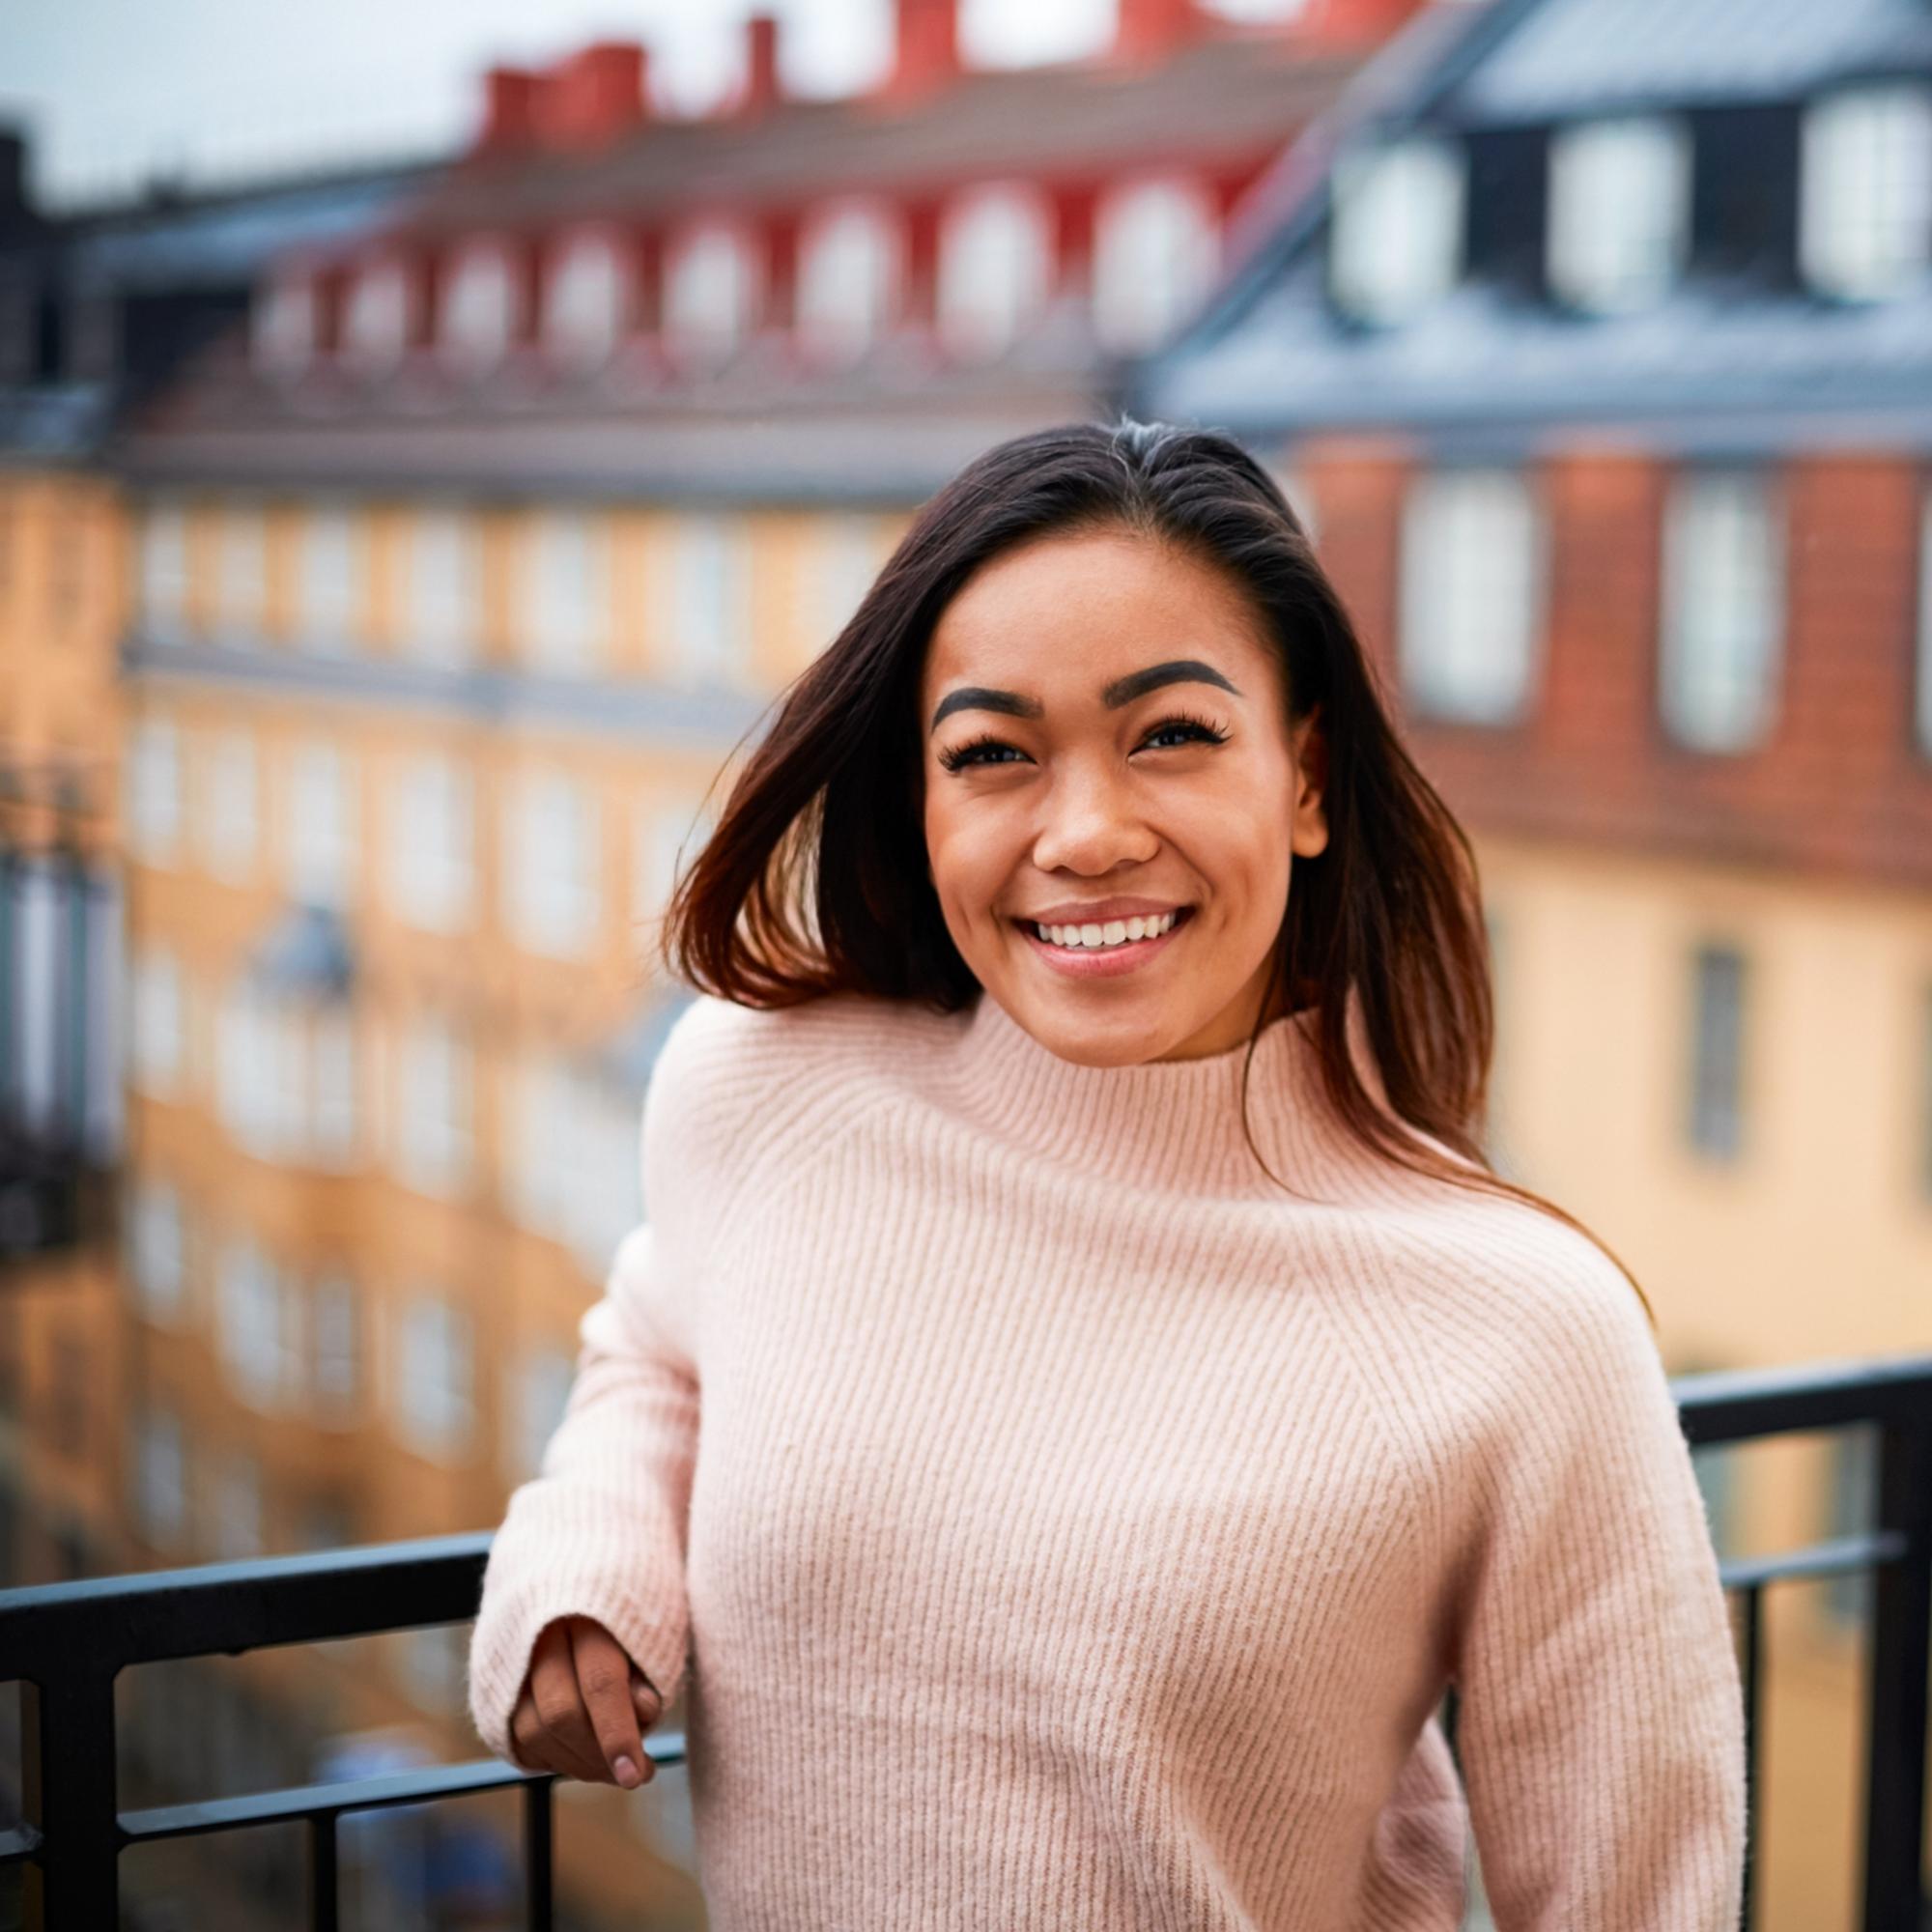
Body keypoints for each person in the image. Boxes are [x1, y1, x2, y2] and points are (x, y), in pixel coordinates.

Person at [466, 418, 1747, 1928]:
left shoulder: (1527, 1326)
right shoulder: (762, 1093)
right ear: (922, 797)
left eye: (1174, 736)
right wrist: (586, 1561)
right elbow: (661, 1351)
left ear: (1310, 779)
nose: (1084, 834)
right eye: (994, 755)